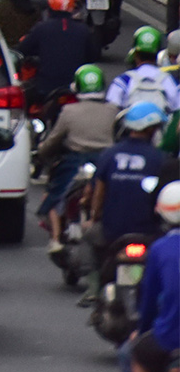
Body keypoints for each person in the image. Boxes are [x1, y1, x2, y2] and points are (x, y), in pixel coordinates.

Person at [38, 63, 120, 251]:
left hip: (75, 163)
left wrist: (41, 153)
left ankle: (56, 240)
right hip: (105, 163)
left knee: (52, 196)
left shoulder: (69, 111)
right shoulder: (113, 110)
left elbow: (53, 140)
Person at [92, 102, 180, 250]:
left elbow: (99, 193)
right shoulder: (161, 159)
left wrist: (94, 217)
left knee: (88, 238)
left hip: (112, 232)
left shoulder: (109, 155)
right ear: (151, 128)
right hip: (150, 232)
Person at [126, 184, 180, 372]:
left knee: (134, 354)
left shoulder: (160, 248)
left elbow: (148, 299)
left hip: (169, 337)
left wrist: (141, 330)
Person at [20, 0, 100, 107]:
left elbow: (22, 50)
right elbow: (94, 56)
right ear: (72, 7)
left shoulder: (41, 28)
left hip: (45, 88)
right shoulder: (83, 30)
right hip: (75, 87)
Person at [110, 28, 180, 114]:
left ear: (135, 54)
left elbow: (111, 110)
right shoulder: (169, 80)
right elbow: (177, 110)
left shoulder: (123, 81)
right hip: (160, 126)